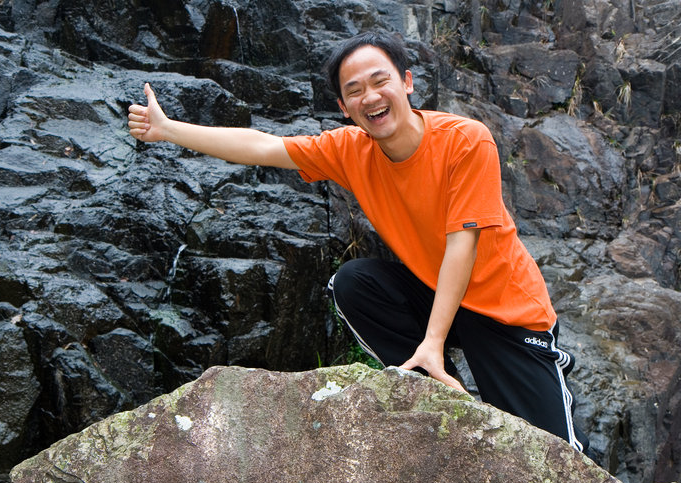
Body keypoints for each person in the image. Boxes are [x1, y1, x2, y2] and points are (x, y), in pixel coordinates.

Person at [128, 31, 589, 454]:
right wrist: (168, 130)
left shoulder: (466, 141)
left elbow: (461, 246)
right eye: (354, 90)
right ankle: (433, 395)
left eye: (379, 81)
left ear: (407, 82)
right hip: (435, 296)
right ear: (344, 106)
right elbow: (263, 146)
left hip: (504, 310)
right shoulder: (350, 149)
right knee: (353, 282)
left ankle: (432, 359)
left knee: (558, 457)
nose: (370, 96)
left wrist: (433, 341)